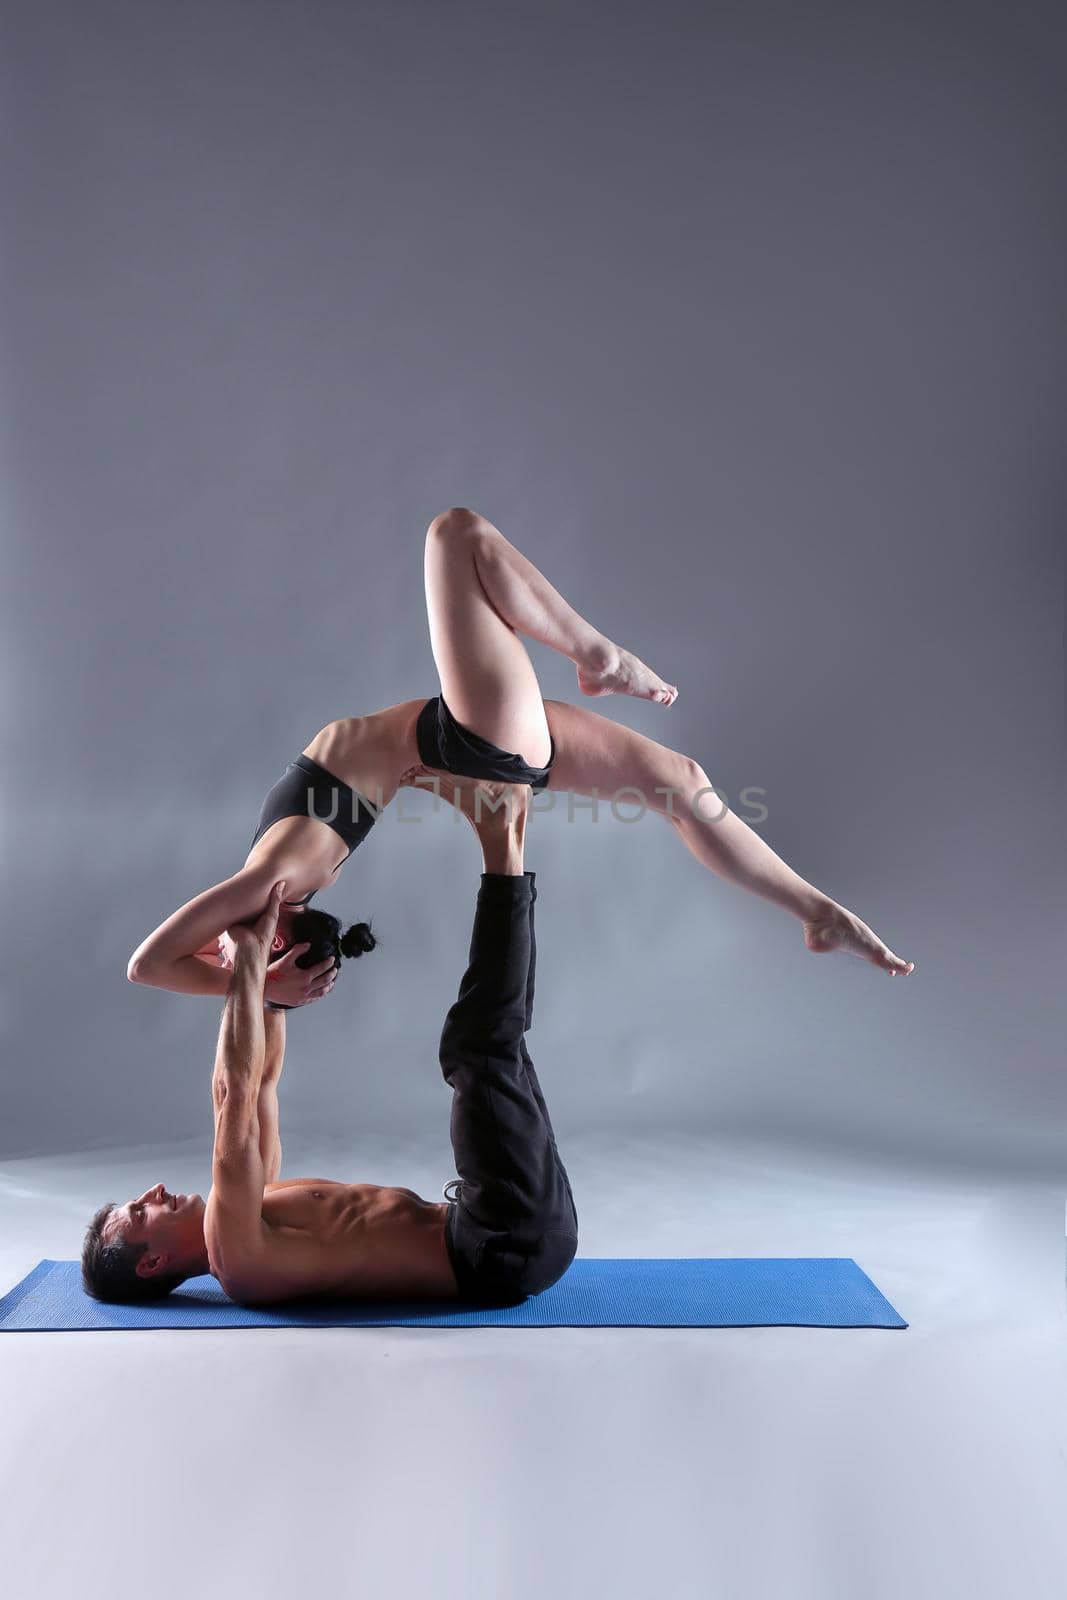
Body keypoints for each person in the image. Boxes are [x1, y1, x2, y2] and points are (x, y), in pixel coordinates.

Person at [125, 506, 912, 1008]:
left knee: (683, 785)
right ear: (275, 938)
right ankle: (600, 656)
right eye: (231, 947)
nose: (214, 943)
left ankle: (819, 914)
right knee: (456, 536)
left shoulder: (285, 882)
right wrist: (248, 982)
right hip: (470, 739)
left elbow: (183, 955)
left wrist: (249, 979)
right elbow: (150, 963)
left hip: (459, 741)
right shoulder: (273, 883)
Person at [82, 783, 578, 1308]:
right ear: (152, 1262)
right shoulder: (237, 1255)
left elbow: (261, 1084)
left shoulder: (255, 1204)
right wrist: (248, 956)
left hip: (504, 1226)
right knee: (477, 1047)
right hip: (499, 1245)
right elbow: (233, 1092)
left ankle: (509, 845)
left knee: (497, 1043)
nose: (153, 1192)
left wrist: (271, 996)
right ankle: (502, 842)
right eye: (141, 1214)